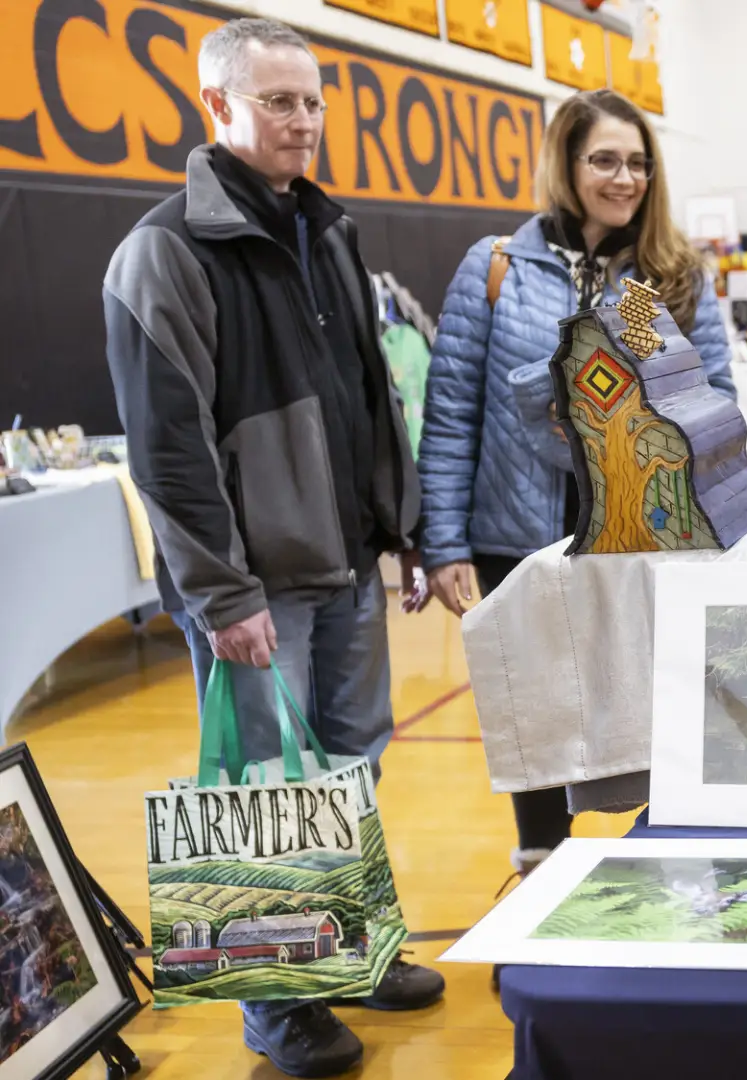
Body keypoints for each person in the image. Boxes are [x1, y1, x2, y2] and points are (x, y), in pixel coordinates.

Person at [101, 17, 442, 1078]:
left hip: (347, 566)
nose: (305, 120)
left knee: (350, 772)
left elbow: (372, 401)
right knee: (264, 793)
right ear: (217, 110)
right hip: (256, 590)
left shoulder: (326, 230)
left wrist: (404, 528)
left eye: (314, 100)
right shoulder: (163, 253)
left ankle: (347, 947)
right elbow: (168, 450)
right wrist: (221, 593)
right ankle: (281, 1009)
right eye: (280, 101)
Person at [417, 89, 736, 883]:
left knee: (650, 709)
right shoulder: (498, 268)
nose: (624, 177)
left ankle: (664, 879)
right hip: (515, 535)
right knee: (533, 709)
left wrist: (637, 420)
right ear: (565, 164)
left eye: (637, 162)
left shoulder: (661, 276)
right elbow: (451, 411)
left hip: (640, 534)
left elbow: (717, 403)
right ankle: (539, 879)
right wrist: (445, 543)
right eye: (604, 159)